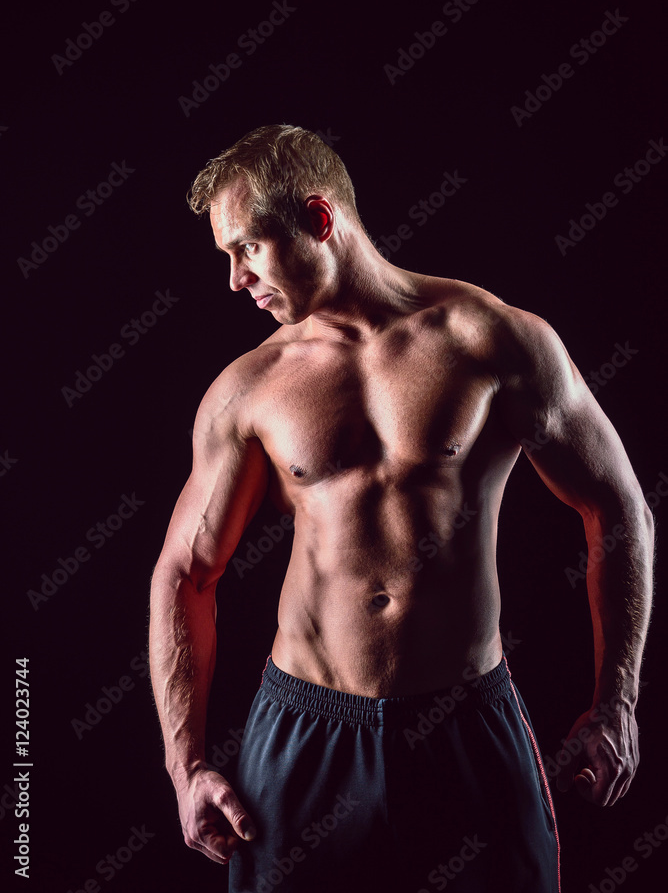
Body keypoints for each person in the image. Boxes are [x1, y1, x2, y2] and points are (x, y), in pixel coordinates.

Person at [148, 124, 654, 893]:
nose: (234, 278)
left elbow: (618, 508)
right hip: (303, 731)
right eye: (227, 255)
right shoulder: (249, 390)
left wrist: (616, 702)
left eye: (247, 247)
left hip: (463, 723)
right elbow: (185, 571)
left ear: (321, 220)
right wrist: (185, 767)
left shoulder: (493, 341)